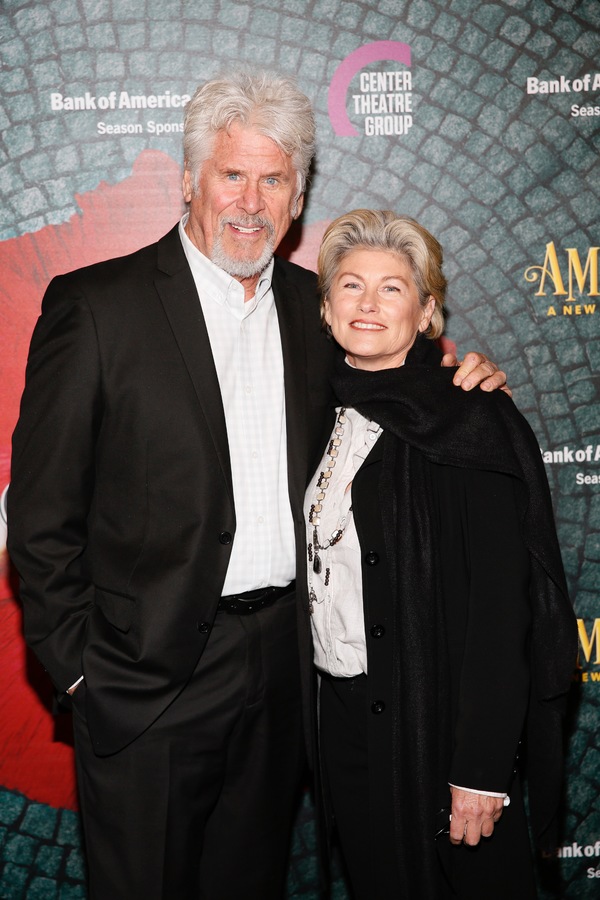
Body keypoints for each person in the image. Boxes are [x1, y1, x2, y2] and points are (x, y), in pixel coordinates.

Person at [8, 74, 507, 900]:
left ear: (299, 196)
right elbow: (40, 518)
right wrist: (81, 675)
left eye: (274, 179)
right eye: (231, 175)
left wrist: (466, 385)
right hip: (144, 683)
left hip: (283, 675)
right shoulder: (97, 307)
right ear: (188, 181)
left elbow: (399, 390)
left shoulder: (318, 311)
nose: (251, 201)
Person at [306, 209, 577, 900]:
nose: (368, 304)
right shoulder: (319, 411)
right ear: (327, 306)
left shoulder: (468, 418)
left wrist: (481, 769)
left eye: (392, 288)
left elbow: (498, 611)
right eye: (350, 285)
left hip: (437, 727)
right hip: (345, 723)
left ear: (427, 312)